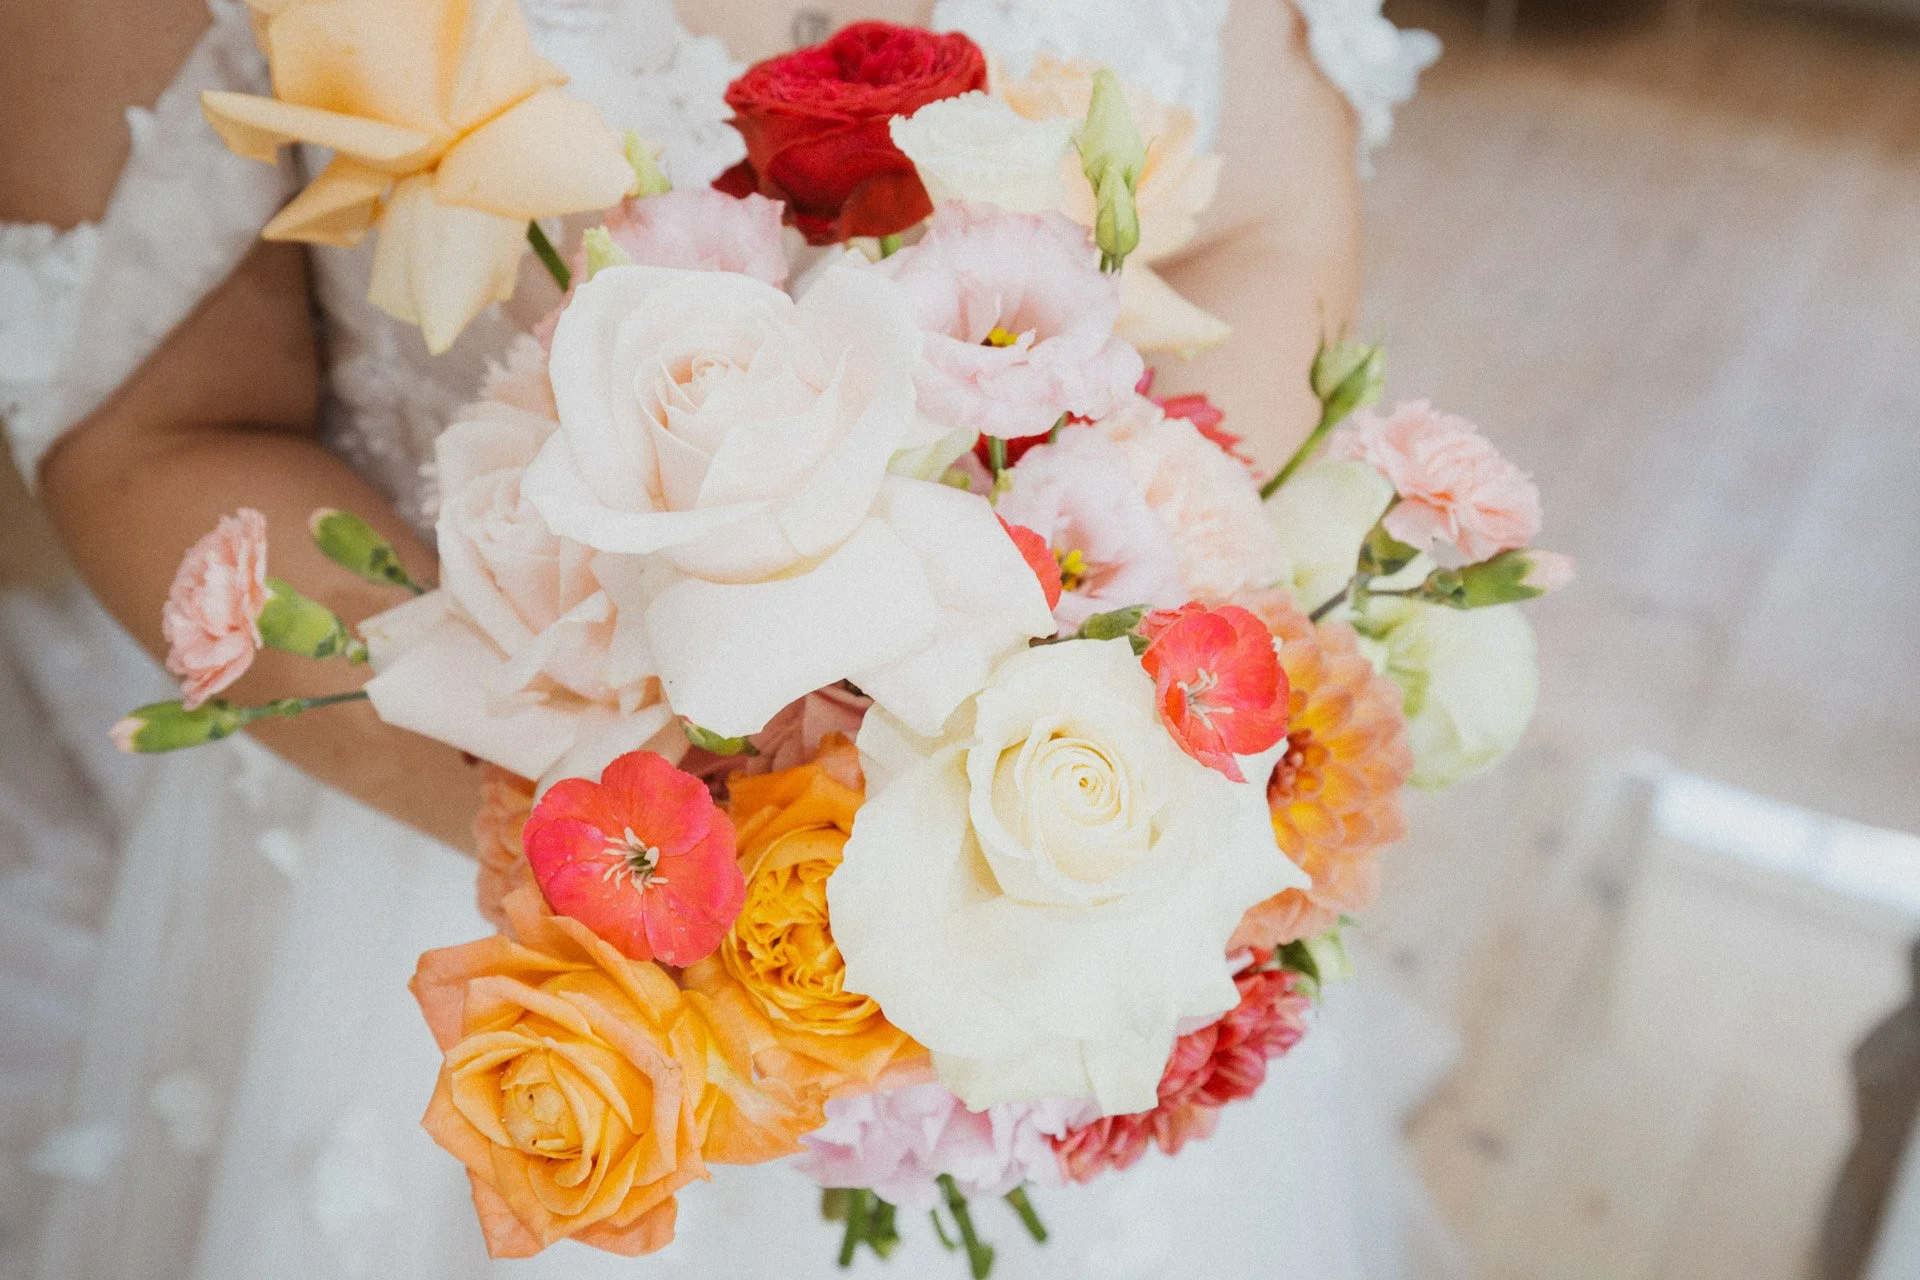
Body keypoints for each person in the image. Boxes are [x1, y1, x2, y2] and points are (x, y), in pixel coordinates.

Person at [0, 1, 1449, 1275]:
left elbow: (1264, 229)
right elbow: (161, 428)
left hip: (1062, 825)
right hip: (475, 849)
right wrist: (657, 846)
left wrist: (1080, 681)